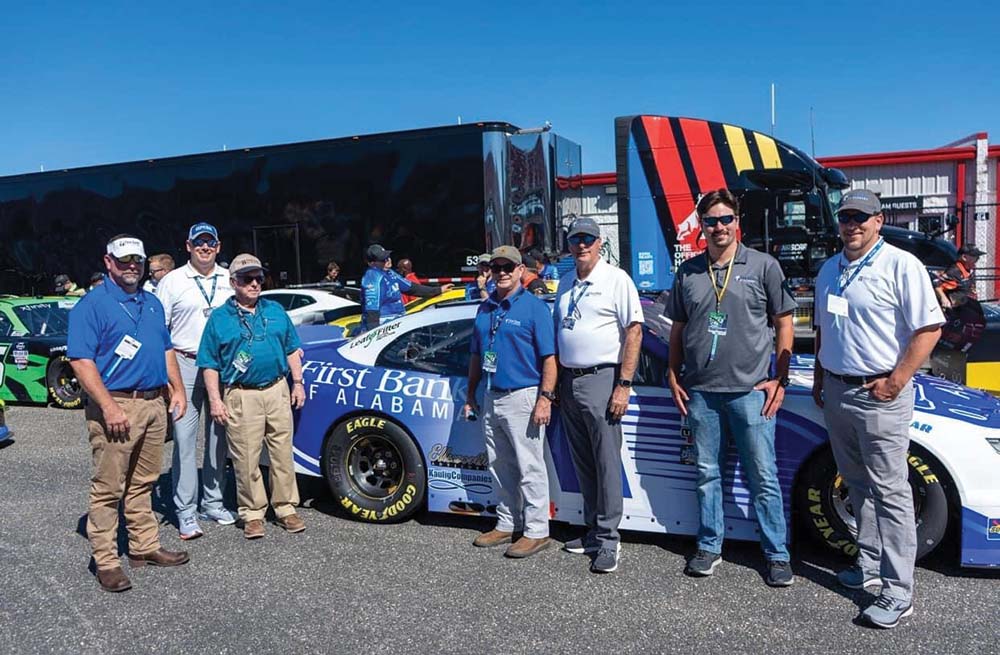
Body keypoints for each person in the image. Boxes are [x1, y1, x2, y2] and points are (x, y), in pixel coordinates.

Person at [813, 189, 943, 629]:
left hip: (879, 395)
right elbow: (824, 328)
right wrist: (819, 378)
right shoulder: (830, 269)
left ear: (879, 220)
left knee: (890, 493)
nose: (852, 224)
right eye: (846, 217)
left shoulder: (901, 265)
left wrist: (896, 380)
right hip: (837, 390)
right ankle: (868, 566)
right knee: (855, 484)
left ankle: (899, 591)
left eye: (861, 217)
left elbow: (928, 329)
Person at [664, 189, 796, 587]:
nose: (719, 227)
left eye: (726, 219)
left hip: (750, 392)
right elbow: (678, 329)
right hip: (701, 392)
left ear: (738, 222)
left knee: (763, 477)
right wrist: (672, 372)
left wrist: (781, 377)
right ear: (700, 226)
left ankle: (776, 554)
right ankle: (709, 545)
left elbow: (784, 322)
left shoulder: (763, 266)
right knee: (707, 474)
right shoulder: (687, 272)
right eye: (711, 221)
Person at [67, 234, 189, 592]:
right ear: (108, 263)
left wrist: (177, 389)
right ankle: (106, 561)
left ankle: (144, 546)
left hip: (153, 402)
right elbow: (80, 360)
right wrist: (107, 406)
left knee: (144, 481)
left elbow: (166, 349)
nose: (132, 266)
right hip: (116, 404)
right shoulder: (91, 305)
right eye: (123, 260)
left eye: (137, 259)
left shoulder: (151, 302)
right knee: (108, 487)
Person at [553, 216, 643, 573]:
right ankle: (592, 531)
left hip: (602, 377)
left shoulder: (615, 279)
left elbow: (634, 331)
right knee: (583, 461)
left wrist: (623, 384)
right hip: (569, 380)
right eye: (576, 239)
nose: (581, 245)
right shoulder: (564, 283)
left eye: (588, 238)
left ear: (600, 241)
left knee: (606, 461)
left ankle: (608, 540)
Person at [197, 253, 307, 539]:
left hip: (277, 389)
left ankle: (285, 508)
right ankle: (252, 512)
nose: (255, 283)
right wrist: (215, 400)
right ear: (233, 282)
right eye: (248, 279)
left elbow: (292, 348)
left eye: (259, 278)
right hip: (241, 395)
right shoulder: (219, 319)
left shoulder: (275, 311)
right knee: (245, 457)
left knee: (282, 453)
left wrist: (297, 383)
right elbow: (209, 363)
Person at [463, 246, 557, 558]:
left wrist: (545, 398)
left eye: (508, 267)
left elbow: (549, 359)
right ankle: (506, 522)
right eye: (496, 267)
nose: (501, 272)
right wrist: (470, 394)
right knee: (499, 465)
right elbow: (477, 355)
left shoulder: (534, 308)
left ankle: (536, 531)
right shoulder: (485, 308)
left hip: (524, 397)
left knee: (530, 466)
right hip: (491, 395)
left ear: (520, 271)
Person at [154, 222, 236, 539]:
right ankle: (186, 511)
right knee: (184, 442)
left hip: (221, 368)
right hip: (184, 365)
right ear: (188, 246)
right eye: (199, 242)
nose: (205, 247)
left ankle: (213, 502)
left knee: (219, 441)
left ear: (218, 246)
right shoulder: (172, 282)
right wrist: (167, 379)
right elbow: (161, 333)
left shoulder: (229, 279)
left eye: (210, 242)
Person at [360, 244, 451, 331]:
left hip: (396, 322)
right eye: (383, 259)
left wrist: (438, 290)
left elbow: (411, 288)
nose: (388, 260)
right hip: (383, 326)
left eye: (388, 256)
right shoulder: (372, 276)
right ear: (371, 263)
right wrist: (373, 335)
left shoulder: (390, 273)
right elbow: (371, 309)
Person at [934, 245, 984, 309]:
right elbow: (937, 285)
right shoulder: (954, 272)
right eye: (975, 257)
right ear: (964, 257)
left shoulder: (968, 270)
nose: (978, 259)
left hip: (968, 304)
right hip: (956, 309)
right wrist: (943, 298)